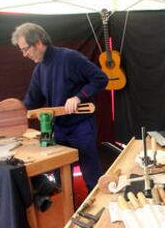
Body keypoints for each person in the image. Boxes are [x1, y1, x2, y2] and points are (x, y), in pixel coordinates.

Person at [11, 22, 108, 192]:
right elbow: (32, 101)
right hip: (60, 127)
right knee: (60, 173)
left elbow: (101, 78)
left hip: (81, 125)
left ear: (39, 43)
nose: (25, 54)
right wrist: (13, 113)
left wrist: (79, 97)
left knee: (90, 171)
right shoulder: (39, 70)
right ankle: (67, 209)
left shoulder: (70, 58)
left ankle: (102, 209)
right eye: (22, 50)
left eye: (26, 49)